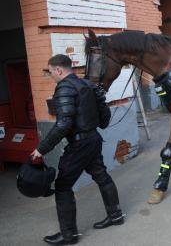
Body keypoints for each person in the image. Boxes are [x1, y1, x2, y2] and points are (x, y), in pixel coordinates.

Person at [31, 54, 124, 245]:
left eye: (50, 72)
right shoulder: (87, 84)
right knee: (101, 175)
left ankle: (69, 235)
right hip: (93, 138)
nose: (51, 76)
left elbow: (64, 124)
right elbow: (104, 111)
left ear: (58, 70)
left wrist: (41, 149)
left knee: (63, 185)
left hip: (79, 144)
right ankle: (116, 216)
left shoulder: (64, 87)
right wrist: (99, 126)